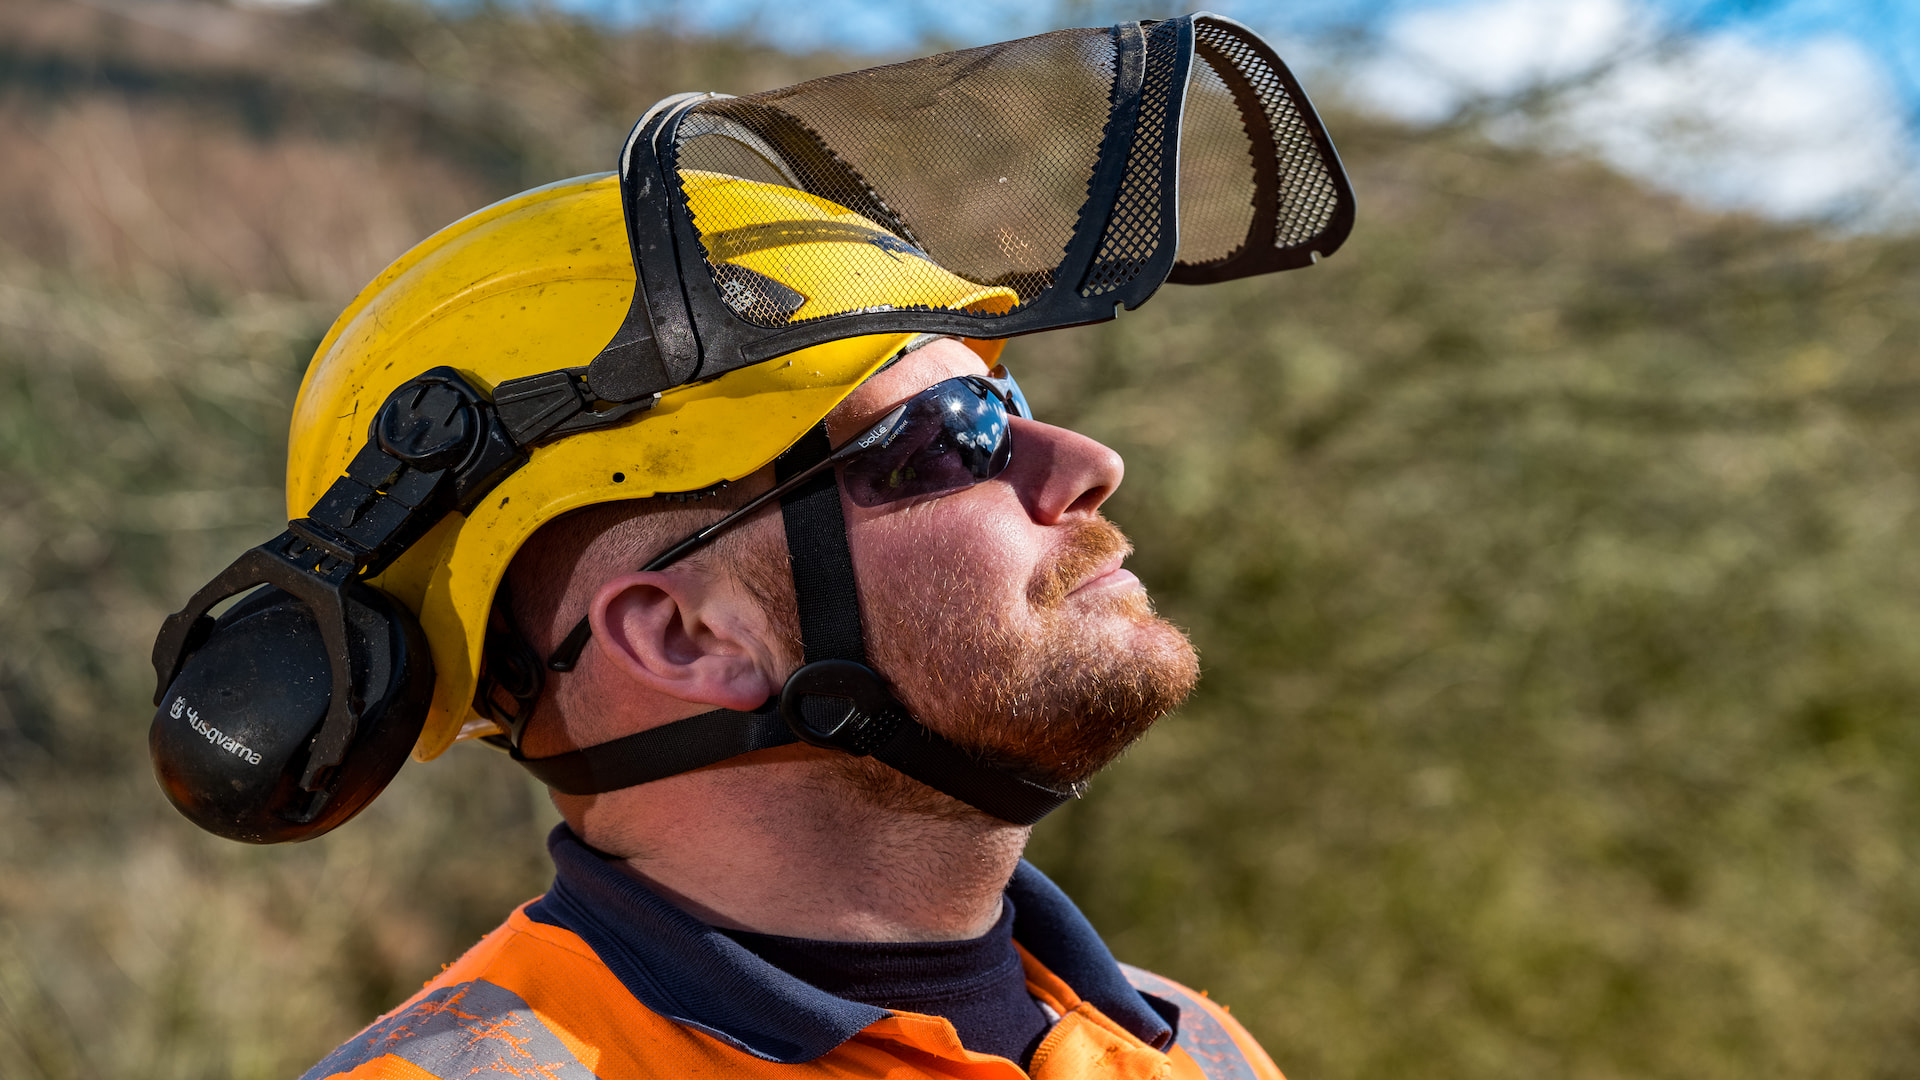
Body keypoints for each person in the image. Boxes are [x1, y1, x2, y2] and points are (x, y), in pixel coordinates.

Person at [147, 16, 1355, 1080]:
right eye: (949, 438)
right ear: (683, 634)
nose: (1084, 462)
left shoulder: (1188, 1046)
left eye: (1014, 396)